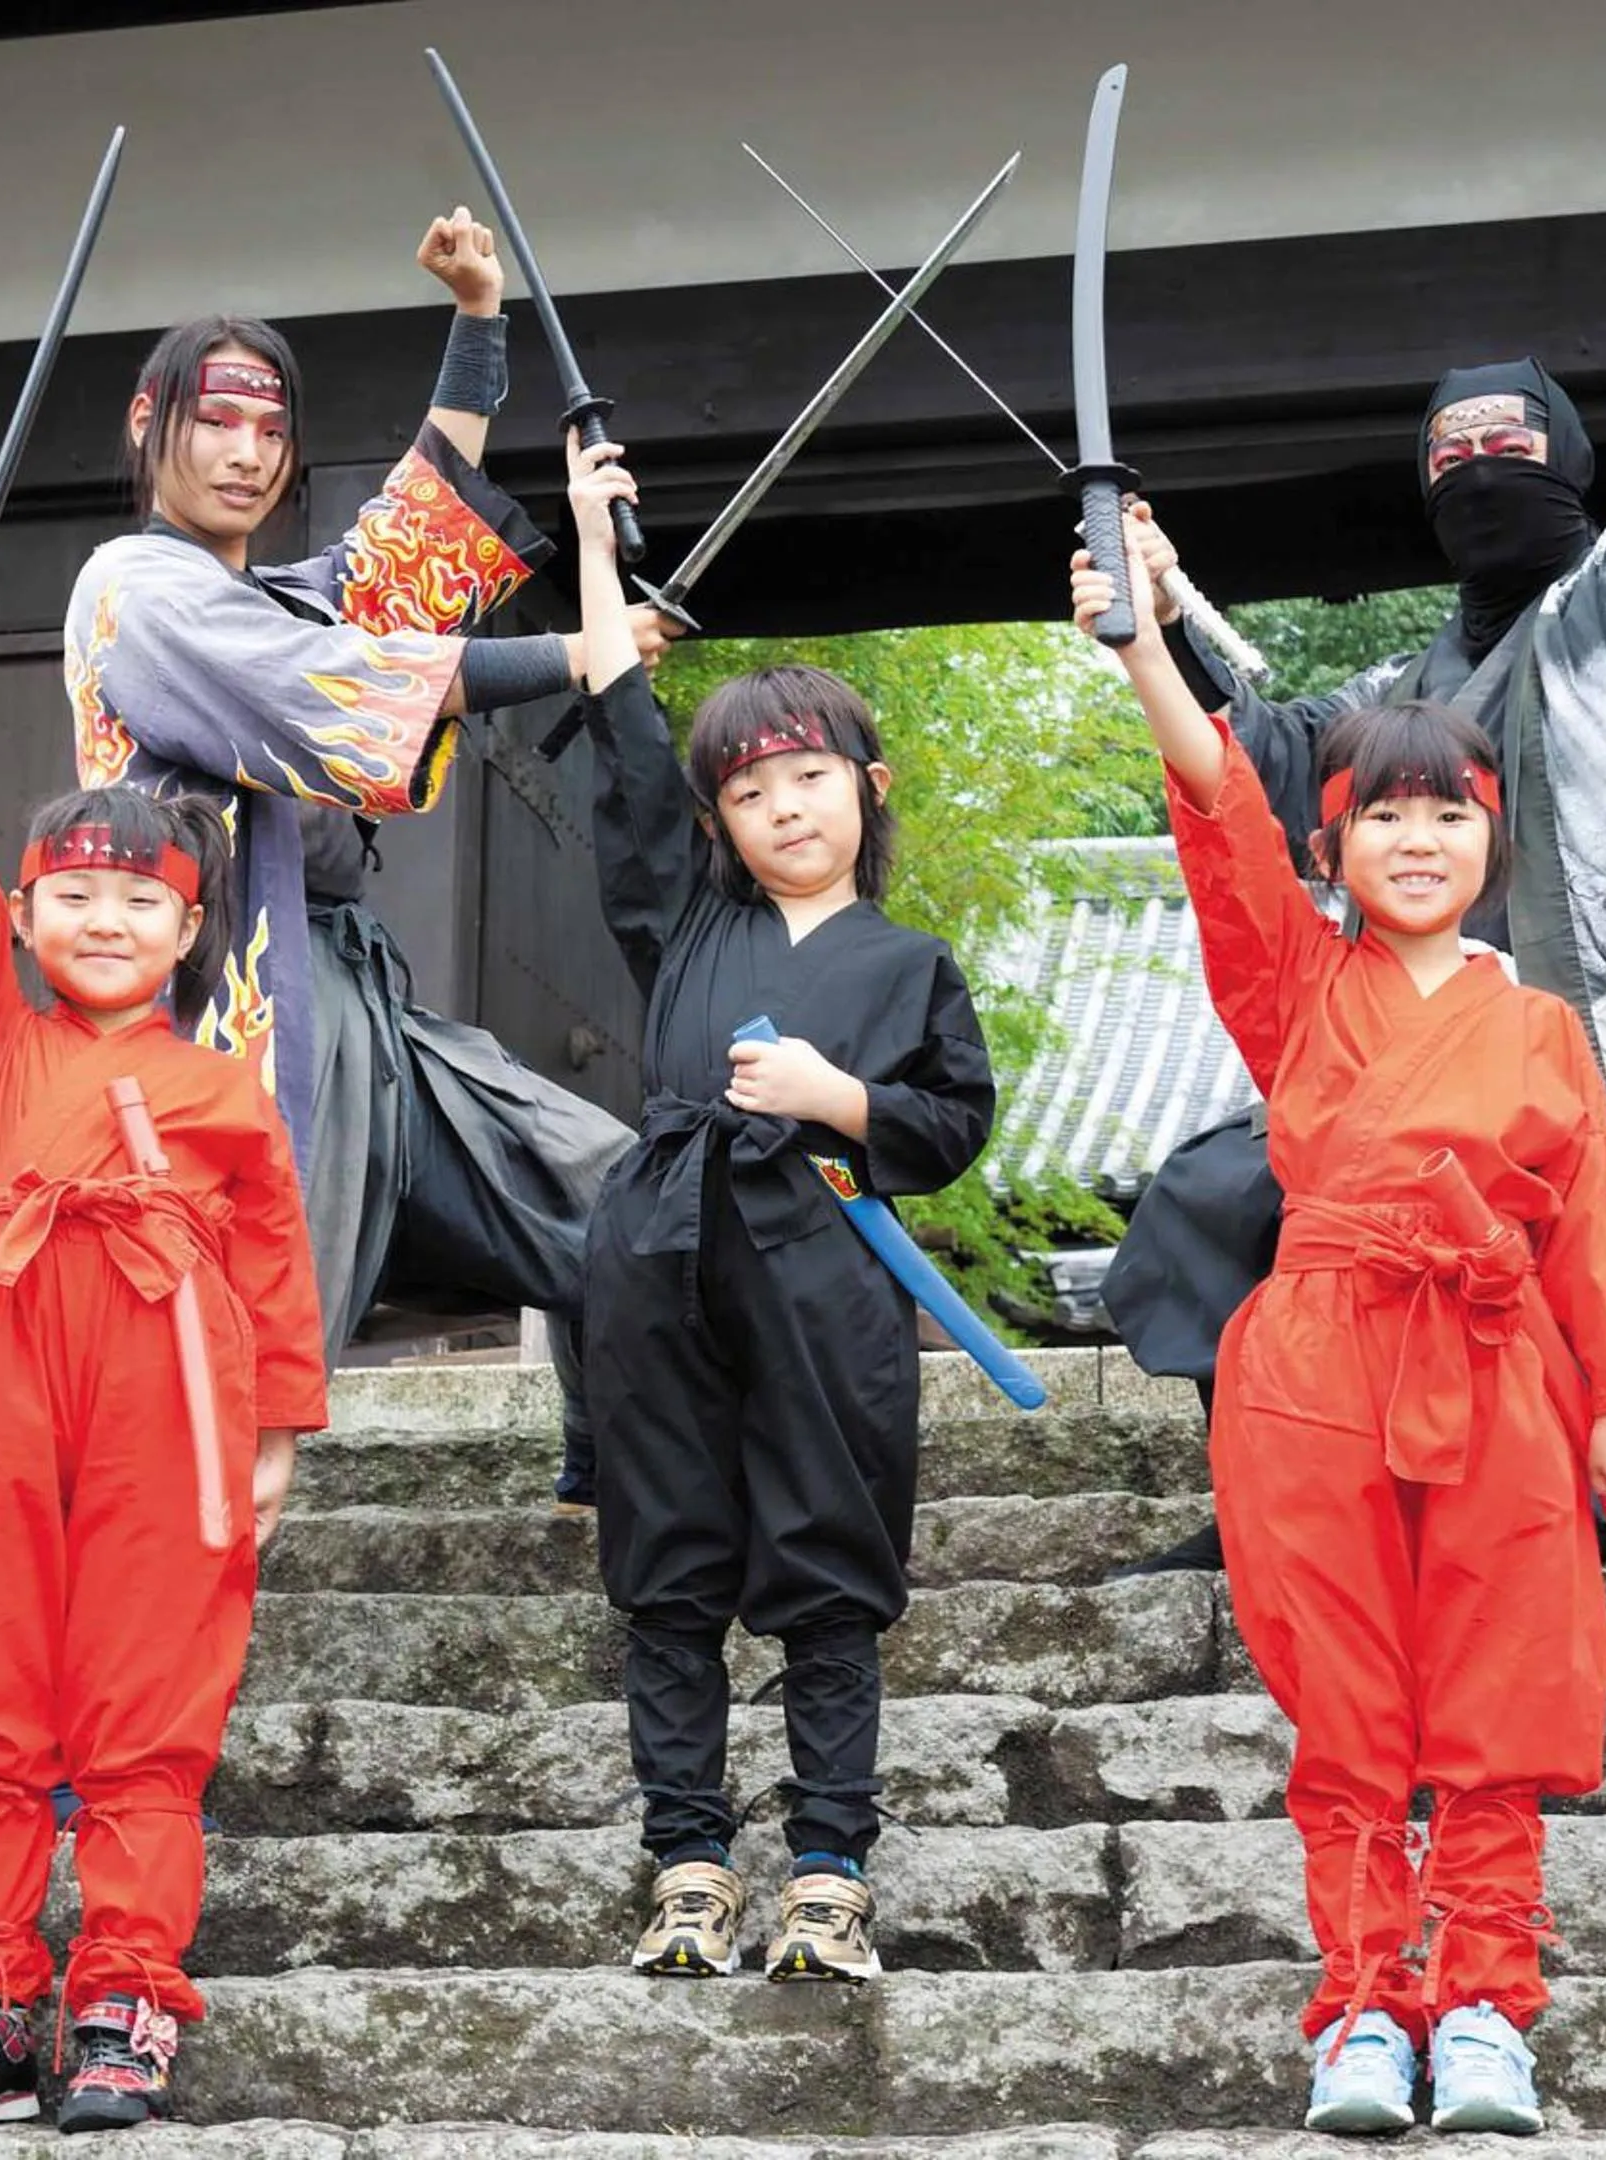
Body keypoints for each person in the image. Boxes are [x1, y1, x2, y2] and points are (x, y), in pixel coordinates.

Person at [1102, 24, 1606, 1826]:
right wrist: (1151, 613)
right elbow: (1276, 761)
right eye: (1449, 457)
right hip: (1409, 1111)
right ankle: (1267, 1496)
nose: (1477, 475)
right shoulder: (1414, 694)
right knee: (1222, 1201)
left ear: (1565, 466)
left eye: (1506, 450)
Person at [1076, 519, 1606, 2137]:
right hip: (1319, 1367)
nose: (1416, 841)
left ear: (1494, 836)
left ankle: (1485, 2004)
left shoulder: (1543, 1025)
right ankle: (1360, 2007)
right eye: (1382, 816)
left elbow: (1596, 1223)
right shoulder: (1291, 980)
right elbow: (1218, 819)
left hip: (1498, 1368)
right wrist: (1143, 641)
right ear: (1335, 841)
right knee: (1351, 1706)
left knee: (1494, 1697)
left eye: (1449, 814)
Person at [63, 209, 647, 1509]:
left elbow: (404, 549)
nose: (244, 453)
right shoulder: (131, 592)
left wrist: (479, 326)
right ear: (146, 423)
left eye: (271, 431)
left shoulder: (275, 593)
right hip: (238, 1022)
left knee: (618, 1193)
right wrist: (571, 657)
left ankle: (617, 1470)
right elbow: (336, 674)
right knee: (225, 1391)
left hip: (362, 1004)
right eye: (214, 421)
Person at [0, 639, 324, 2135]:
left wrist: (273, 1425)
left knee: (147, 1699)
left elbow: (269, 1253)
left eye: (146, 900)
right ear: (30, 913)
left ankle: (125, 1991)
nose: (110, 918)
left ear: (192, 930)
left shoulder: (225, 1089)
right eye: (74, 894)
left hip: (171, 1390)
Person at [561, 433, 995, 1983]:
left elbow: (952, 1122)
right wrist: (593, 540)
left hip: (823, 1284)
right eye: (751, 788)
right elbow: (619, 723)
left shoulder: (909, 966)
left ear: (863, 788)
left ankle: (827, 1871)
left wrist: (838, 1101)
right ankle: (687, 1863)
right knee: (668, 1572)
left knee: (825, 1573)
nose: (784, 806)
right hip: (663, 1263)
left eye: (810, 776)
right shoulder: (684, 919)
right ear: (724, 819)